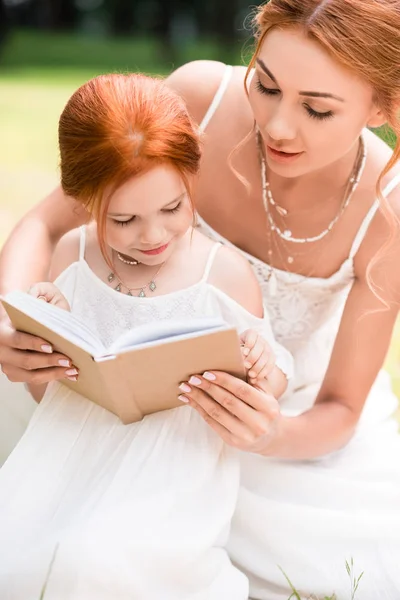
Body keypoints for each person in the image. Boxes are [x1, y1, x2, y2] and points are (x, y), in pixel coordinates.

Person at [1, 0, 400, 597]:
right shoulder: (197, 102)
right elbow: (45, 225)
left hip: (271, 412)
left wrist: (267, 435)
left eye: (316, 109)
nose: (278, 125)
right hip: (111, 371)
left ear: (381, 106)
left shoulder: (387, 213)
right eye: (265, 85)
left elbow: (340, 408)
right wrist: (12, 320)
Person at [0, 72, 293, 599]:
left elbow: (266, 384)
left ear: (191, 179)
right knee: (23, 555)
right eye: (125, 219)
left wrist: (261, 371)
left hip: (170, 466)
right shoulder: (74, 253)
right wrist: (50, 332)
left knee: (103, 561)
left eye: (173, 208)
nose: (153, 235)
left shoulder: (222, 275)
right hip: (71, 448)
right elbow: (47, 392)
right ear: (84, 200)